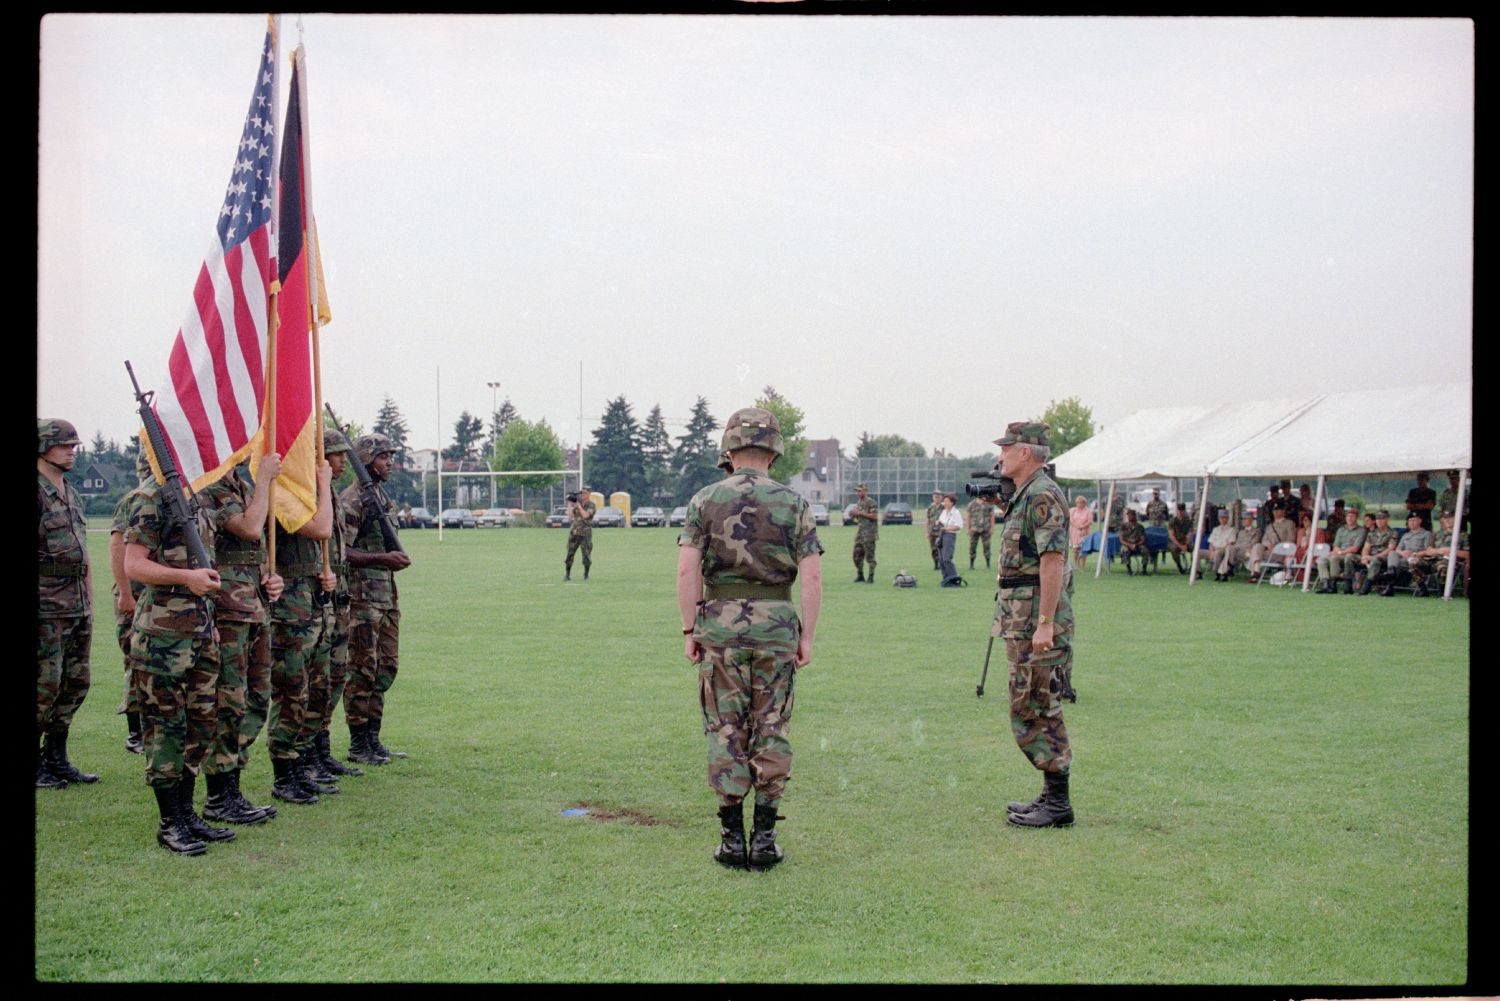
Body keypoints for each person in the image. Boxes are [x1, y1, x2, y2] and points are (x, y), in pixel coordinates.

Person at [677, 407, 822, 869]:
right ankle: (763, 839)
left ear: (730, 448)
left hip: (719, 624)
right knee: (772, 725)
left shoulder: (704, 499)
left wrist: (689, 629)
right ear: (774, 450)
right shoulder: (795, 503)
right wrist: (808, 637)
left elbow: (687, 569)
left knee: (725, 726)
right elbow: (813, 578)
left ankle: (730, 839)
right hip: (777, 624)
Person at [122, 453, 226, 854]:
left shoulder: (194, 495)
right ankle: (170, 823)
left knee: (201, 725)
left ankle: (187, 815)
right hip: (162, 636)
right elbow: (134, 565)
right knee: (166, 728)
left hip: (201, 631)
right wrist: (187, 578)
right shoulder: (149, 497)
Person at [990, 422, 1075, 828]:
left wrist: (1045, 623)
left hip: (1035, 619)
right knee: (1030, 703)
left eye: (1006, 447)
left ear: (1025, 452)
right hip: (1020, 616)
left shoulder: (1041, 494)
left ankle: (1058, 803)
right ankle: (1050, 793)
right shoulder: (1026, 494)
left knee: (1037, 704)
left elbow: (1052, 560)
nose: (1001, 454)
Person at [198, 451, 285, 824]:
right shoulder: (212, 484)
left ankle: (232, 777)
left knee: (256, 697)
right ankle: (220, 794)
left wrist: (270, 576)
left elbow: (256, 545)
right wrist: (265, 477)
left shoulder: (240, 483)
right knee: (228, 701)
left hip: (253, 602)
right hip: (229, 607)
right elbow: (249, 528)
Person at [267, 456, 336, 802]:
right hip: (289, 611)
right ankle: (284, 773)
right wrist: (324, 484)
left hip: (310, 602)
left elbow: (319, 544)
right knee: (292, 691)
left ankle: (303, 764)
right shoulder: (279, 494)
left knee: (314, 689)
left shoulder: (301, 496)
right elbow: (321, 528)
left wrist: (325, 574)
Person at [343, 433, 414, 766]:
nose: (390, 462)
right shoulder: (353, 500)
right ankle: (359, 743)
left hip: (386, 596)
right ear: (368, 460)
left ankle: (374, 739)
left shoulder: (380, 496)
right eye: (384, 456)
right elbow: (340, 551)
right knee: (362, 669)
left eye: (390, 456)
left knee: (386, 666)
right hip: (361, 599)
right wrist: (382, 559)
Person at [37, 418, 98, 789]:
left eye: (74, 445)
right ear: (44, 447)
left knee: (76, 682)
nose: (72, 451)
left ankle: (56, 757)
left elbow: (84, 551)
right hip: (46, 606)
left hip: (76, 604)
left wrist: (89, 598)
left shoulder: (70, 490)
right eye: (65, 445)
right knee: (44, 684)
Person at [109, 451, 154, 755]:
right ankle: (135, 733)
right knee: (134, 663)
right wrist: (125, 594)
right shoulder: (134, 500)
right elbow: (116, 547)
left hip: (152, 595)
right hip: (135, 594)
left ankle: (149, 730)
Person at [1409, 510, 1468, 598]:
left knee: (1443, 566)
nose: (1447, 520)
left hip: (1451, 563)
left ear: (1456, 519)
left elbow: (1467, 554)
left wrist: (1451, 551)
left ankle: (1442, 592)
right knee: (1413, 562)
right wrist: (1438, 551)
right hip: (1434, 560)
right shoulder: (1438, 534)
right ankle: (1422, 589)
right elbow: (1429, 550)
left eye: (1450, 518)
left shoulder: (1463, 535)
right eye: (1445, 518)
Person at [1373, 513, 1432, 596]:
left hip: (1418, 559)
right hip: (1404, 559)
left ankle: (1421, 588)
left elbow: (1428, 550)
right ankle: (1391, 573)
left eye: (1414, 520)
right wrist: (1402, 553)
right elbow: (1397, 548)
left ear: (1420, 521)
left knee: (1408, 562)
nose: (1412, 523)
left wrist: (1414, 554)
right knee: (1392, 553)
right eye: (1410, 521)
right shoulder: (1406, 535)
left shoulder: (1426, 534)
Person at [1317, 508, 1366, 594]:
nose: (1349, 518)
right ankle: (1326, 584)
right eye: (1348, 516)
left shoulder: (1361, 530)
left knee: (1334, 558)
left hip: (1353, 555)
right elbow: (1335, 545)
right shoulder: (1341, 530)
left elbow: (1356, 548)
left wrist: (1341, 552)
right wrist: (1338, 551)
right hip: (1340, 553)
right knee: (1321, 559)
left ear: (1356, 518)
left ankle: (1333, 585)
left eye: (1352, 516)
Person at [1249, 506, 1296, 581]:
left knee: (1255, 553)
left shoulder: (1289, 524)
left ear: (1283, 511)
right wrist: (1268, 544)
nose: (1275, 512)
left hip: (1281, 552)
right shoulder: (1270, 526)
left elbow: (1291, 540)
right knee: (1257, 546)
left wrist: (1278, 547)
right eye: (1274, 510)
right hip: (1269, 552)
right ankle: (1256, 572)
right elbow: (1264, 539)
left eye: (1278, 510)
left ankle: (1254, 574)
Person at [1357, 511, 1399, 595]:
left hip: (1385, 557)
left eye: (1382, 519)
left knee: (1376, 560)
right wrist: (1364, 557)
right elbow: (1366, 547)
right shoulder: (1372, 533)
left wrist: (1373, 557)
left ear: (1387, 520)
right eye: (1377, 519)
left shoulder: (1393, 533)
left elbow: (1391, 548)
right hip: (1370, 557)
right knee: (1351, 558)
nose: (1379, 521)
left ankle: (1366, 587)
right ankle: (1350, 586)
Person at [564, 484, 596, 581]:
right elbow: (570, 516)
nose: (582, 495)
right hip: (574, 533)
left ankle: (586, 575)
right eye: (581, 493)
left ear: (589, 494)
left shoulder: (591, 505)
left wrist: (578, 505)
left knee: (586, 555)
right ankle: (567, 574)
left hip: (585, 533)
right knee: (569, 554)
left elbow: (585, 515)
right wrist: (570, 504)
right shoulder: (577, 503)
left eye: (585, 493)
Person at [850, 482, 879, 583]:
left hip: (869, 533)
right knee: (857, 555)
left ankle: (871, 577)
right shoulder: (859, 503)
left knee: (870, 556)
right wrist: (853, 515)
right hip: (860, 533)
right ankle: (860, 575)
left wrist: (860, 513)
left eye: (859, 491)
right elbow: (859, 517)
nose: (857, 493)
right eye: (856, 491)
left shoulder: (871, 502)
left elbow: (874, 516)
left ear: (865, 491)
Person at [937, 493, 963, 585]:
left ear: (952, 502)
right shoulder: (944, 512)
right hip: (942, 534)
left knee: (946, 558)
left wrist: (947, 528)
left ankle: (954, 579)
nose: (945, 503)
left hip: (950, 535)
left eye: (947, 501)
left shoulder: (956, 513)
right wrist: (938, 522)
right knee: (941, 559)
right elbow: (941, 521)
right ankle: (946, 579)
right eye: (944, 501)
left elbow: (959, 526)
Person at [966, 492, 996, 570]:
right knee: (972, 547)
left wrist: (992, 528)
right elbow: (968, 516)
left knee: (987, 547)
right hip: (974, 529)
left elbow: (992, 516)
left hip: (985, 528)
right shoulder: (971, 504)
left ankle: (988, 564)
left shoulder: (988, 504)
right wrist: (968, 528)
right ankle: (971, 565)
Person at [1166, 502, 1196, 575]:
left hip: (1185, 541)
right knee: (1174, 549)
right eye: (1179, 510)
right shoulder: (1172, 521)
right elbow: (1171, 536)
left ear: (1184, 511)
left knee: (1194, 548)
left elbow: (1190, 534)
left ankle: (1193, 567)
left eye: (1182, 510)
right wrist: (1180, 546)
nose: (1180, 512)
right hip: (1175, 542)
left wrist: (1185, 544)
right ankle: (1180, 567)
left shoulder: (1188, 521)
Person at [1117, 509, 1148, 575]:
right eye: (1128, 515)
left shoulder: (1140, 527)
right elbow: (1121, 540)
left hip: (1137, 545)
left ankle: (1144, 570)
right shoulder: (1123, 526)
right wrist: (1129, 545)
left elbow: (1143, 539)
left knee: (1145, 550)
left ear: (1134, 516)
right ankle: (1129, 570)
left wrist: (1136, 545)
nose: (1129, 517)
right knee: (1124, 550)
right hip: (1127, 544)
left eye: (1131, 515)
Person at [1068, 496, 1093, 570]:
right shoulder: (1072, 510)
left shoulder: (1088, 511)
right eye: (1078, 502)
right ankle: (1076, 564)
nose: (1079, 504)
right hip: (1075, 532)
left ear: (1084, 503)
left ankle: (1083, 566)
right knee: (1075, 550)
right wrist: (1078, 527)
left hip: (1084, 532)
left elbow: (1090, 521)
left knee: (1083, 549)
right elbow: (1071, 520)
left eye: (1081, 502)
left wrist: (1082, 527)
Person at [925, 490, 943, 572]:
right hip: (932, 531)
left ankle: (942, 564)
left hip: (942, 531)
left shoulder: (944, 507)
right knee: (933, 549)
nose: (937, 499)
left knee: (942, 548)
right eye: (935, 497)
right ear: (933, 498)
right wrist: (926, 532)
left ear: (941, 498)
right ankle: (936, 564)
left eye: (939, 497)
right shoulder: (930, 508)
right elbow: (927, 520)